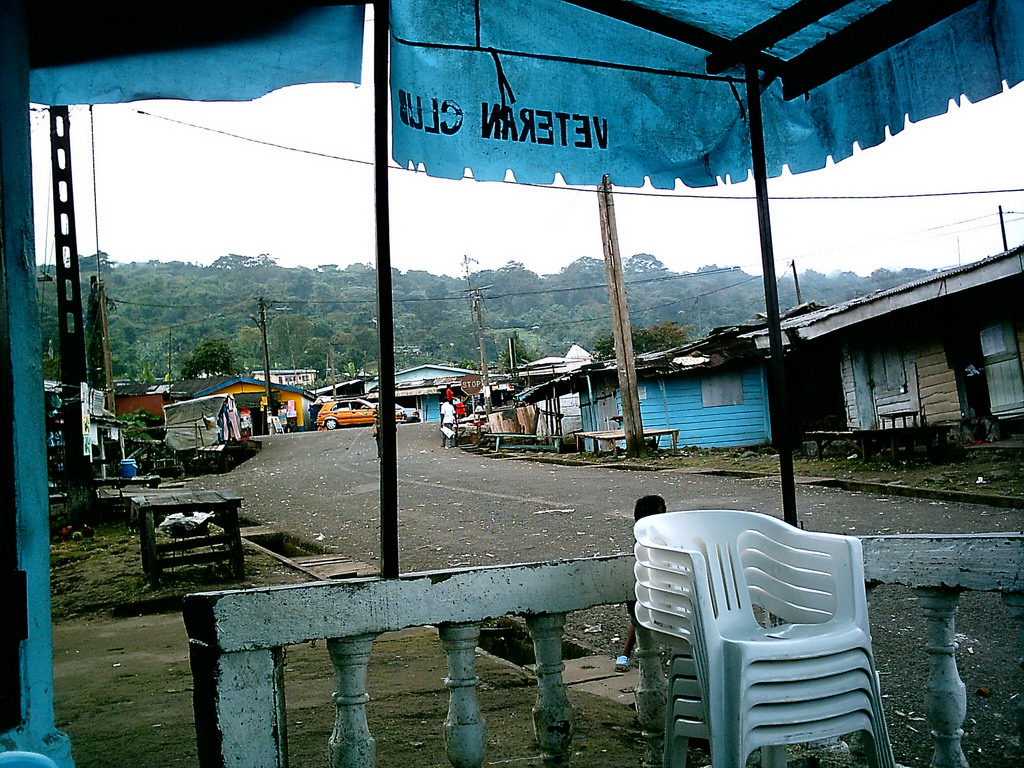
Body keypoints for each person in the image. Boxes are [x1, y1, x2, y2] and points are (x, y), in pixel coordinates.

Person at [616, 493, 668, 672]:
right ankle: (625, 653)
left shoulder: (657, 533)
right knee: (638, 615)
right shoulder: (645, 537)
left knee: (640, 616)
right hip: (648, 581)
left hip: (661, 579)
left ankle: (624, 655)